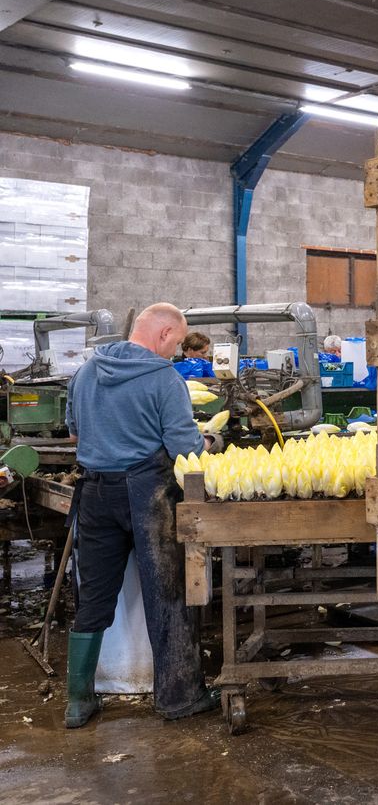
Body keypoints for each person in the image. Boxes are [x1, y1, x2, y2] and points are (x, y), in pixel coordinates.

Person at [64, 303, 221, 728]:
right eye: (176, 342)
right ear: (165, 333)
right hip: (147, 495)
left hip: (94, 492)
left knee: (93, 594)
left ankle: (78, 701)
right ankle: (179, 697)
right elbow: (183, 449)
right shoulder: (163, 379)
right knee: (165, 592)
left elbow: (74, 432)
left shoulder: (85, 371)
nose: (176, 351)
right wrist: (211, 440)